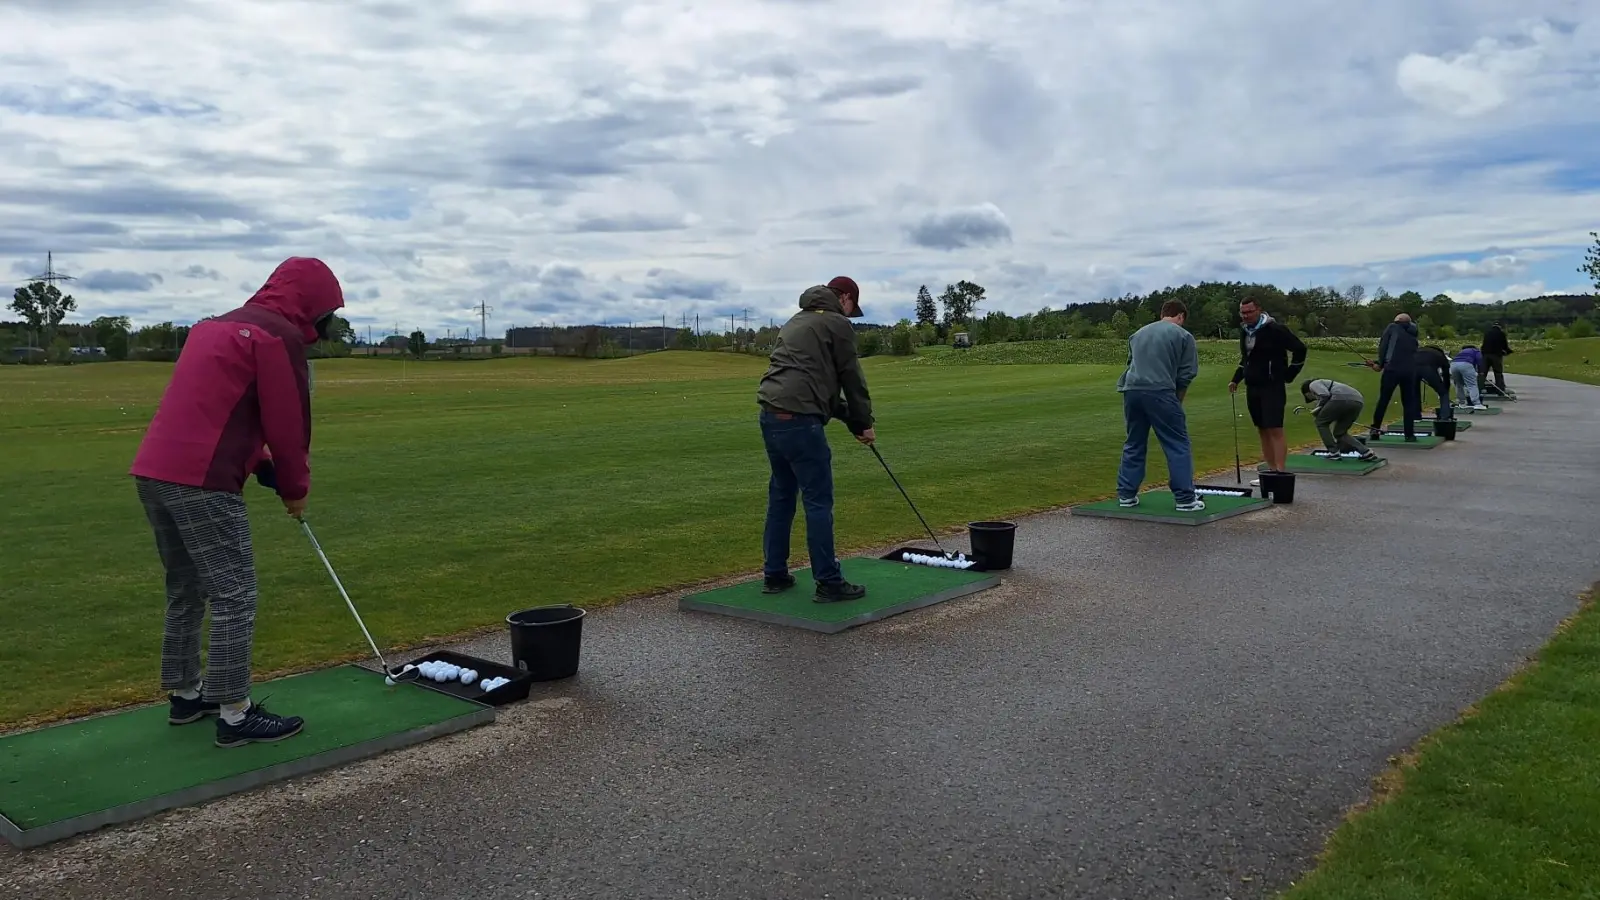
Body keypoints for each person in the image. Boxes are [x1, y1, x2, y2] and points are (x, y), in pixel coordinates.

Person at [129, 257, 345, 748]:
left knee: (186, 587)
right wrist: (294, 488)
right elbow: (289, 425)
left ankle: (186, 695)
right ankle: (234, 713)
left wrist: (259, 461)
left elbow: (219, 408)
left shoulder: (213, 327)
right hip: (203, 480)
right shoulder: (278, 339)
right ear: (313, 307)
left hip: (153, 471)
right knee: (234, 594)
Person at [756, 276, 875, 603]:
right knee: (818, 501)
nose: (850, 316)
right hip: (800, 422)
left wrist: (853, 421)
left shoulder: (797, 320)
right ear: (846, 298)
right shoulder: (837, 324)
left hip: (770, 415)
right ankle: (828, 581)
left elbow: (815, 385)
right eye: (851, 309)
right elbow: (851, 377)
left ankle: (775, 575)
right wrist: (864, 422)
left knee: (782, 495)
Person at [1115, 300, 1203, 510]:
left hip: (1131, 391)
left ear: (1163, 313)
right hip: (1160, 391)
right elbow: (1186, 373)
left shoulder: (1138, 334)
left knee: (1134, 442)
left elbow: (1130, 364)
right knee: (1177, 443)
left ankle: (1126, 494)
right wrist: (1177, 401)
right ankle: (1185, 499)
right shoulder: (1183, 335)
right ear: (1180, 316)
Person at [1228, 298, 1306, 475]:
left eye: (1249, 312)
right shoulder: (1245, 332)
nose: (1246, 316)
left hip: (1272, 385)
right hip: (1253, 385)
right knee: (1262, 428)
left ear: (1258, 310)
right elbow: (1247, 358)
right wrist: (1236, 379)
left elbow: (1300, 349)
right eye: (1243, 312)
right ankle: (1270, 470)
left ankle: (1280, 471)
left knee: (1274, 427)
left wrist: (1289, 374)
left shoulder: (1275, 329)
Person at [1367, 313, 1421, 441]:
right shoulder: (1413, 333)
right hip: (1410, 370)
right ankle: (1409, 434)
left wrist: (1379, 363)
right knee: (1408, 403)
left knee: (1384, 400)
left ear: (1398, 321)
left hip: (1392, 369)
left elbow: (1384, 346)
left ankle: (1375, 430)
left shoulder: (1392, 327)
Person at [1300, 378, 1379, 461]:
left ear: (1307, 392)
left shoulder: (1313, 384)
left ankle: (1333, 452)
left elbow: (1325, 395)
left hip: (1340, 398)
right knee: (1340, 433)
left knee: (1320, 422)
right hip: (1357, 401)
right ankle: (1366, 452)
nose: (1314, 399)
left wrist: (1318, 409)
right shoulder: (1327, 384)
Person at [1413, 344, 1454, 420]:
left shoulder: (1418, 350)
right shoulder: (1439, 354)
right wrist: (1446, 387)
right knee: (1443, 393)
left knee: (1414, 392)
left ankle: (1415, 416)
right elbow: (1446, 373)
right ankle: (1445, 417)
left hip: (1411, 368)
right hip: (1428, 370)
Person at [1451, 345, 1488, 410]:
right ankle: (1477, 404)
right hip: (1466, 364)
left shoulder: (1461, 352)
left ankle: (1461, 403)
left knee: (1458, 385)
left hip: (1453, 365)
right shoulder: (1476, 351)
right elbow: (1480, 361)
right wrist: (1481, 372)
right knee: (1472, 385)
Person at [1480, 321, 1513, 395]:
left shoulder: (1487, 333)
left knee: (1483, 373)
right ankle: (1500, 390)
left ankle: (1479, 388)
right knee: (1498, 373)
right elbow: (1504, 345)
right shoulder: (1501, 334)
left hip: (1485, 355)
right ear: (1500, 327)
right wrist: (1509, 351)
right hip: (1496, 355)